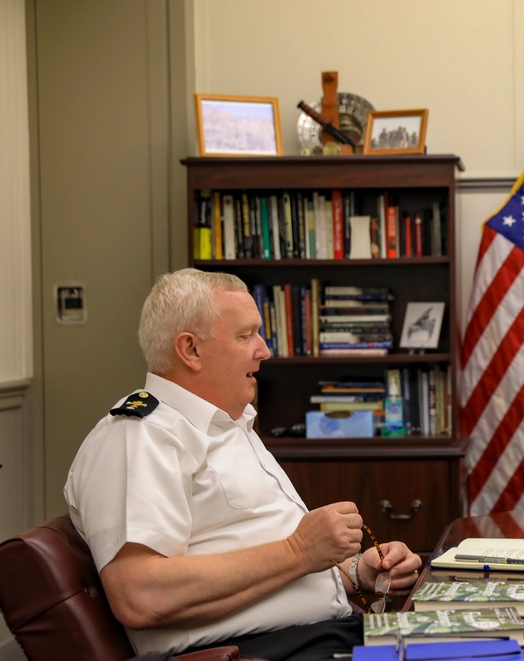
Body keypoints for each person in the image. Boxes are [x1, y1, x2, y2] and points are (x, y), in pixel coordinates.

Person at [64, 269, 422, 660]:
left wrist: (354, 574)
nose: (264, 350)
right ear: (191, 350)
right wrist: (298, 550)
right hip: (268, 651)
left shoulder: (228, 425)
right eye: (245, 335)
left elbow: (257, 565)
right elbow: (140, 596)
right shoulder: (140, 436)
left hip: (325, 633)